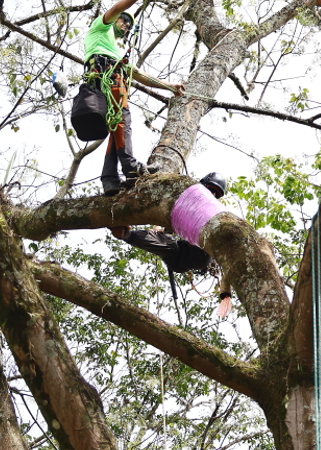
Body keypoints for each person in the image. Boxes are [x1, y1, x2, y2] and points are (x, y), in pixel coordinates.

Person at [84, 0, 185, 196]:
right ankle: (131, 167)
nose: (126, 25)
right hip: (106, 77)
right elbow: (117, 8)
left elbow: (138, 74)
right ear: (114, 21)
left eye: (129, 24)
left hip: (107, 79)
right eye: (123, 21)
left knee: (116, 128)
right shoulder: (99, 28)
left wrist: (169, 86)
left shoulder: (115, 52)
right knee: (123, 120)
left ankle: (109, 179)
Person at [108, 173, 226, 273]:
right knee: (167, 243)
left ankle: (127, 235)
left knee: (173, 243)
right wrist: (160, 228)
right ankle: (125, 234)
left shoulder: (212, 211)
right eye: (211, 190)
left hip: (200, 254)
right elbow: (174, 218)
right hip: (178, 257)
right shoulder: (187, 200)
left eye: (216, 194)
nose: (213, 195)